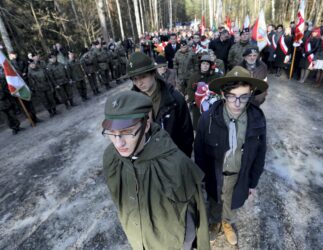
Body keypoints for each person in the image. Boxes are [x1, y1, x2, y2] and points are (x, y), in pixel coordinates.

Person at [102, 90, 210, 250]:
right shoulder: (111, 157)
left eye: (127, 132)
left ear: (146, 126)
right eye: (112, 133)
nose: (118, 144)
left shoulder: (176, 163)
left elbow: (192, 217)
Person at [194, 66, 267, 246]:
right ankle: (215, 222)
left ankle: (227, 223)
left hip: (239, 175)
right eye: (231, 96)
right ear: (223, 94)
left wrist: (253, 181)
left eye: (243, 97)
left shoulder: (257, 118)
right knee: (214, 201)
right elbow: (199, 150)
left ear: (251, 94)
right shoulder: (208, 118)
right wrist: (201, 176)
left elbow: (260, 152)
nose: (237, 103)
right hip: (215, 175)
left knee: (233, 203)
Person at [122, 52, 194, 157]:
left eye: (143, 76)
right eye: (134, 79)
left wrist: (181, 160)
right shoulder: (131, 103)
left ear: (153, 73)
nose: (139, 83)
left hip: (173, 158)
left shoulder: (175, 99)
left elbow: (186, 133)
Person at [187, 55, 221, 130]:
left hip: (211, 106)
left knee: (211, 126)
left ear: (210, 65)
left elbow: (218, 90)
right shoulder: (194, 76)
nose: (205, 66)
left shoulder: (215, 77)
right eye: (203, 64)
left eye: (207, 64)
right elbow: (189, 90)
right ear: (200, 65)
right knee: (198, 126)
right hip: (197, 106)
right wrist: (195, 99)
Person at [0, 66, 23, 134]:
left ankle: (17, 126)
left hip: (7, 102)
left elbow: (7, 88)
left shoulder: (2, 80)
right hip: (1, 106)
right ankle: (13, 128)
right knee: (7, 119)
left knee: (12, 115)